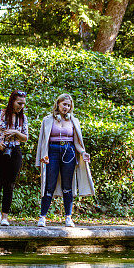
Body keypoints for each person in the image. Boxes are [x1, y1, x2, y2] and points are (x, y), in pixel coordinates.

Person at [35, 94, 95, 227]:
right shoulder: (48, 120)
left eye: (68, 105)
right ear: (58, 104)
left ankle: (68, 217)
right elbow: (43, 141)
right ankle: (42, 217)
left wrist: (83, 153)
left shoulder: (74, 121)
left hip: (69, 152)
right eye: (64, 104)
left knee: (67, 186)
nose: (66, 107)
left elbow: (77, 143)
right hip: (52, 151)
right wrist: (43, 155)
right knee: (49, 184)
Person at [0, 90, 29, 226]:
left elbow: (25, 138)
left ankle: (5, 216)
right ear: (12, 101)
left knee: (9, 184)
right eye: (19, 103)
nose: (21, 106)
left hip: (14, 151)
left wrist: (16, 132)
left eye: (23, 104)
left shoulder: (23, 118)